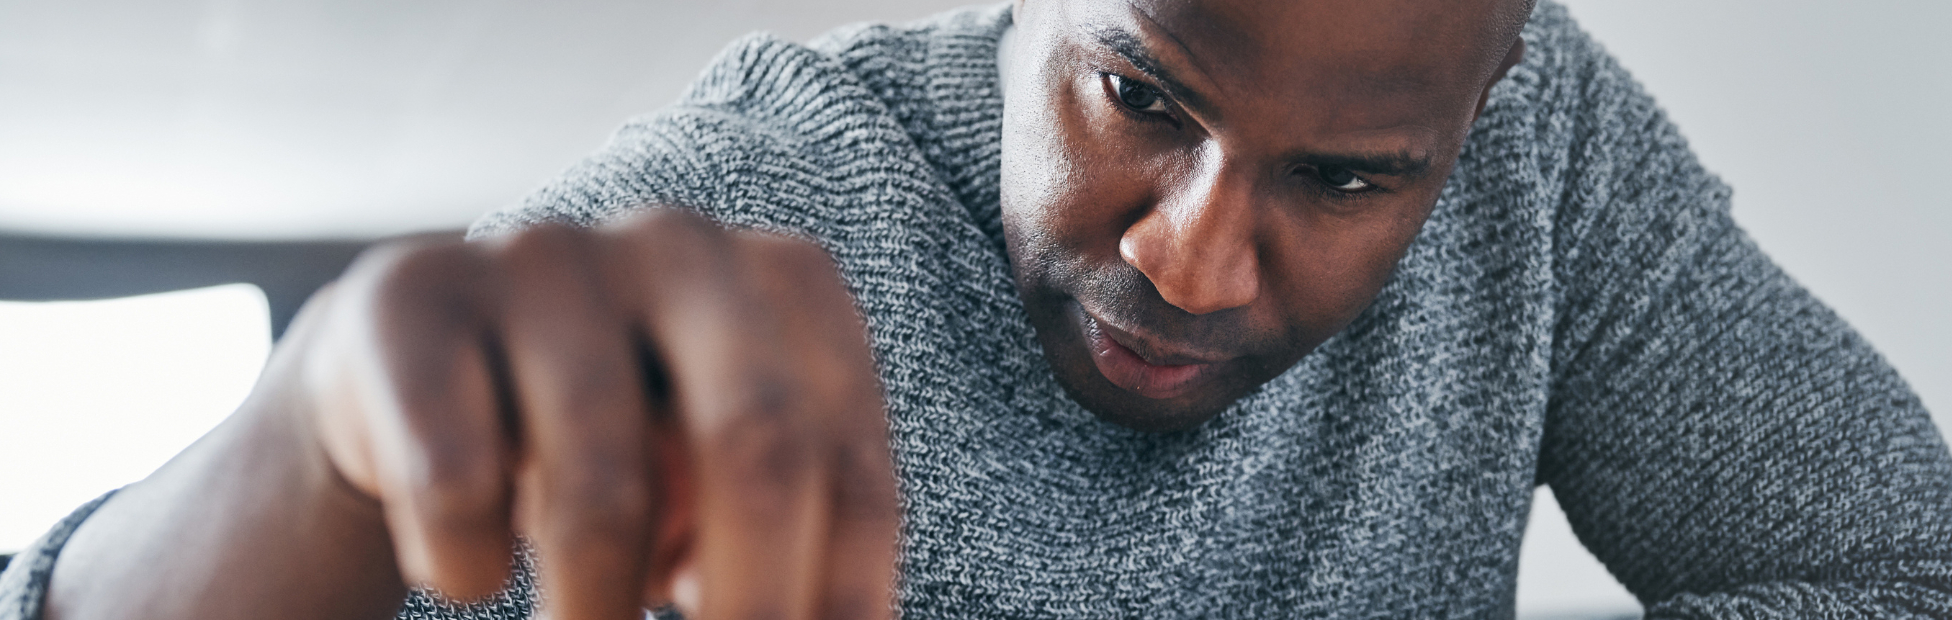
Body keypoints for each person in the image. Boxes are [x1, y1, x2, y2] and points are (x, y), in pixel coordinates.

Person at [6, 0, 1950, 618]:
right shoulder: (732, 222)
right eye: (1140, 96)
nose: (1191, 261)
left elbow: (1897, 566)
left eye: (1347, 182)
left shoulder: (1550, 158)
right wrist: (308, 445)